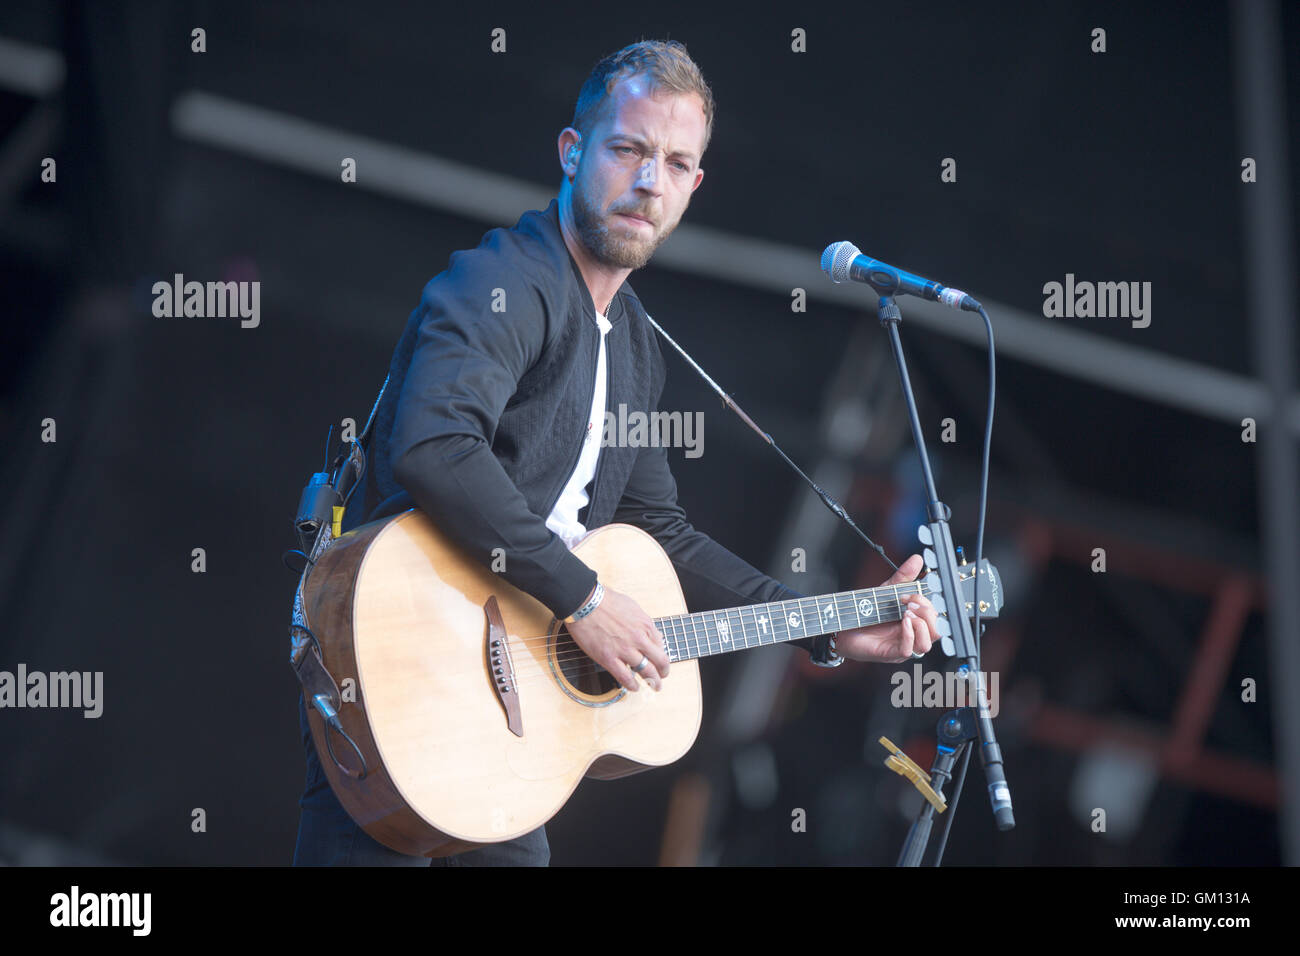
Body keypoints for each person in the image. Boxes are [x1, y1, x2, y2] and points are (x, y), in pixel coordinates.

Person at [293, 39, 939, 867]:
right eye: (628, 149)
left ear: (694, 187)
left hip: (512, 715)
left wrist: (825, 629)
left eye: (675, 163)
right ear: (573, 152)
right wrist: (584, 601)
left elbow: (661, 536)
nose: (649, 182)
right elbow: (436, 447)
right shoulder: (500, 281)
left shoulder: (636, 350)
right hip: (405, 662)